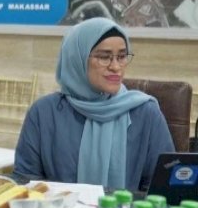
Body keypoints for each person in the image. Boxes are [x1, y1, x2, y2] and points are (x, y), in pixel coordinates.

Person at [14, 17, 174, 191]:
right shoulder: (44, 113)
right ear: (78, 59)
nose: (115, 67)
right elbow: (26, 183)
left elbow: (162, 188)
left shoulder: (145, 113)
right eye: (105, 57)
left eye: (121, 57)